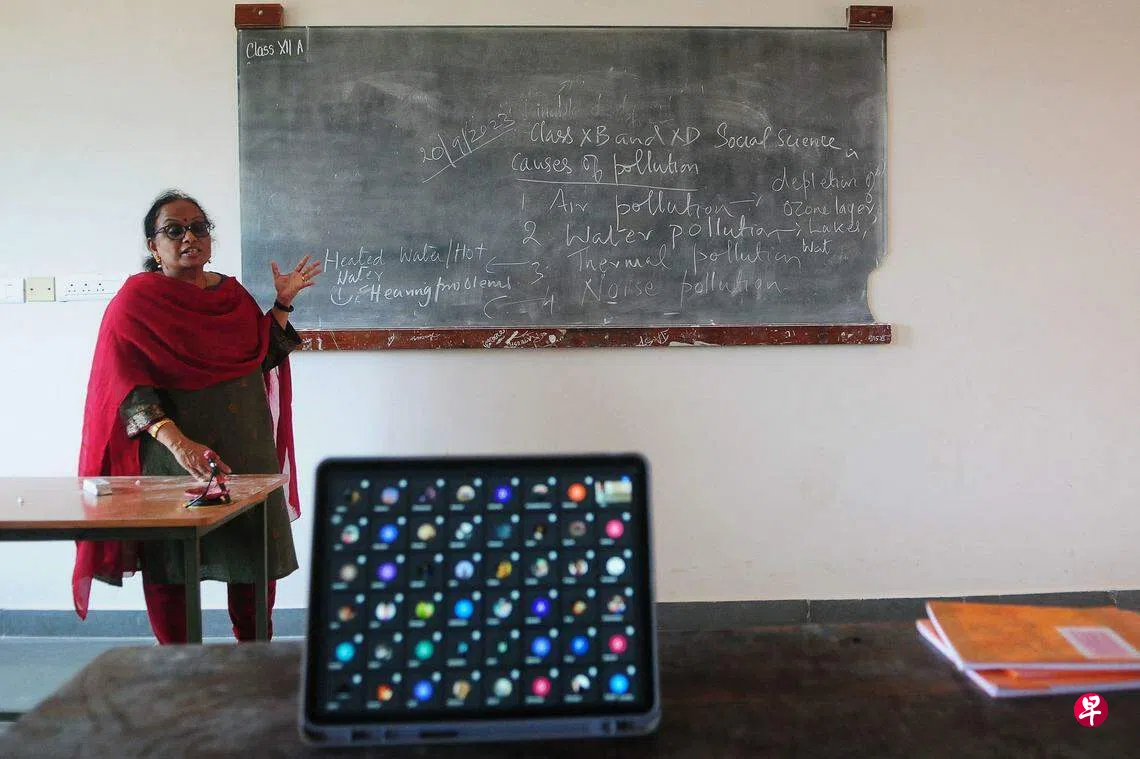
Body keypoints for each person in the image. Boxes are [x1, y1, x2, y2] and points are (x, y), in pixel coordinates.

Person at [73, 190, 321, 644]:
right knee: (172, 567)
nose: (189, 237)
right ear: (153, 245)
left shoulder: (232, 296)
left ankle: (255, 660)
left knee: (253, 561)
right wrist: (180, 444)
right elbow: (126, 389)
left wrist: (282, 304)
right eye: (174, 230)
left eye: (198, 228)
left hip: (246, 448)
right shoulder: (135, 303)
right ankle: (180, 664)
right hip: (174, 458)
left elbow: (260, 357)